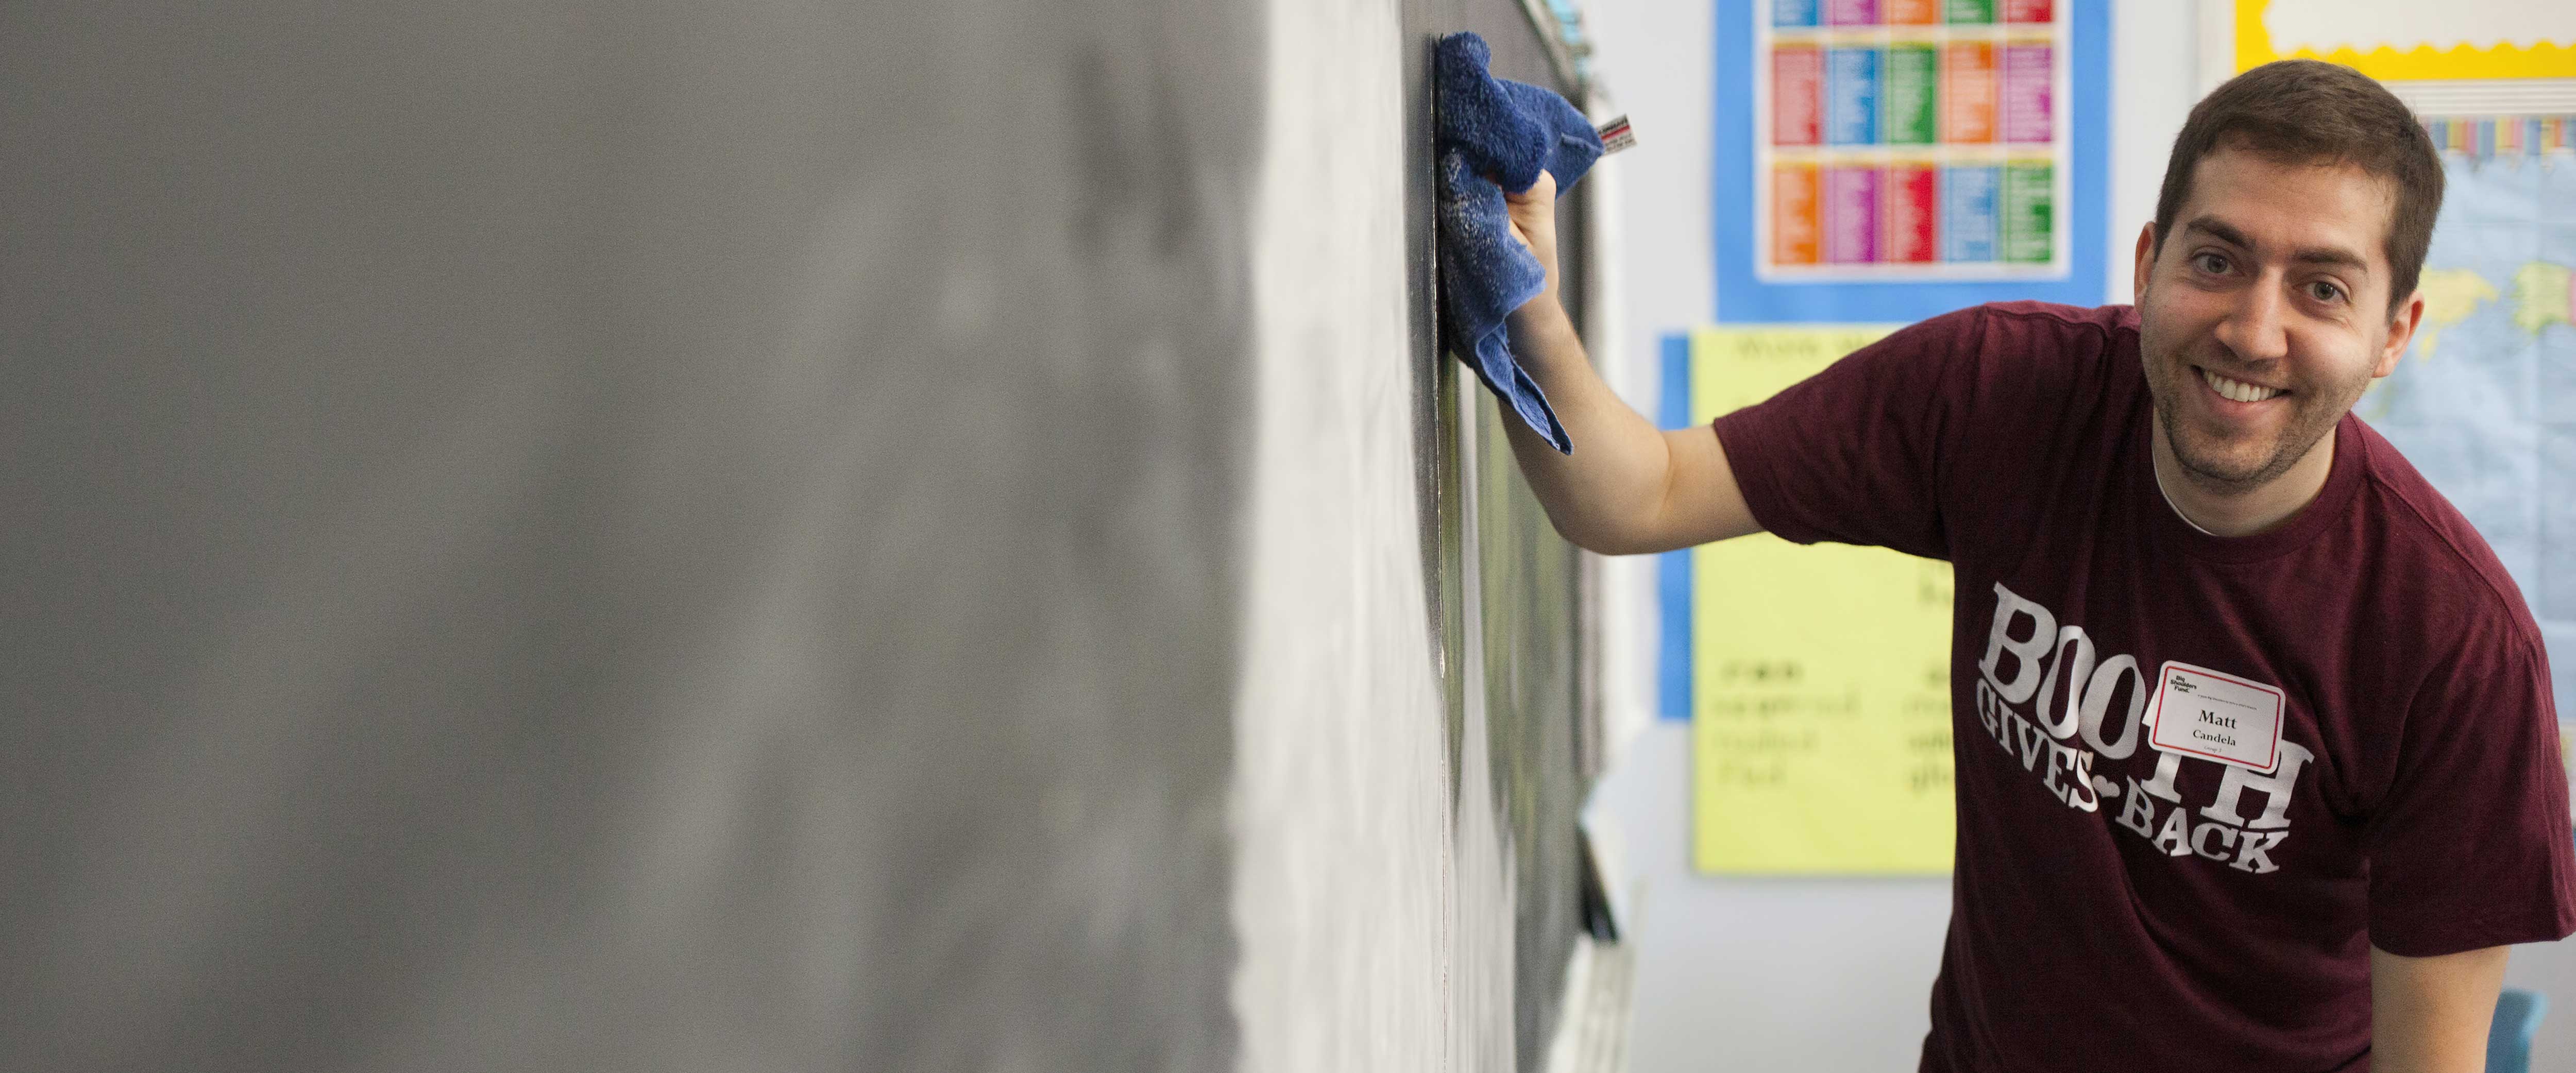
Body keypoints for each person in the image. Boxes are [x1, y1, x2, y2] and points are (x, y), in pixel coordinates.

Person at [1498, 59, 2576, 1071]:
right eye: (2218, 260)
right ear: (2149, 262)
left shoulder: (2455, 648)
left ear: (2395, 334)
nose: (2254, 330)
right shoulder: (2000, 395)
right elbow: (1638, 493)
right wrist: (1525, 305)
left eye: (2323, 290)